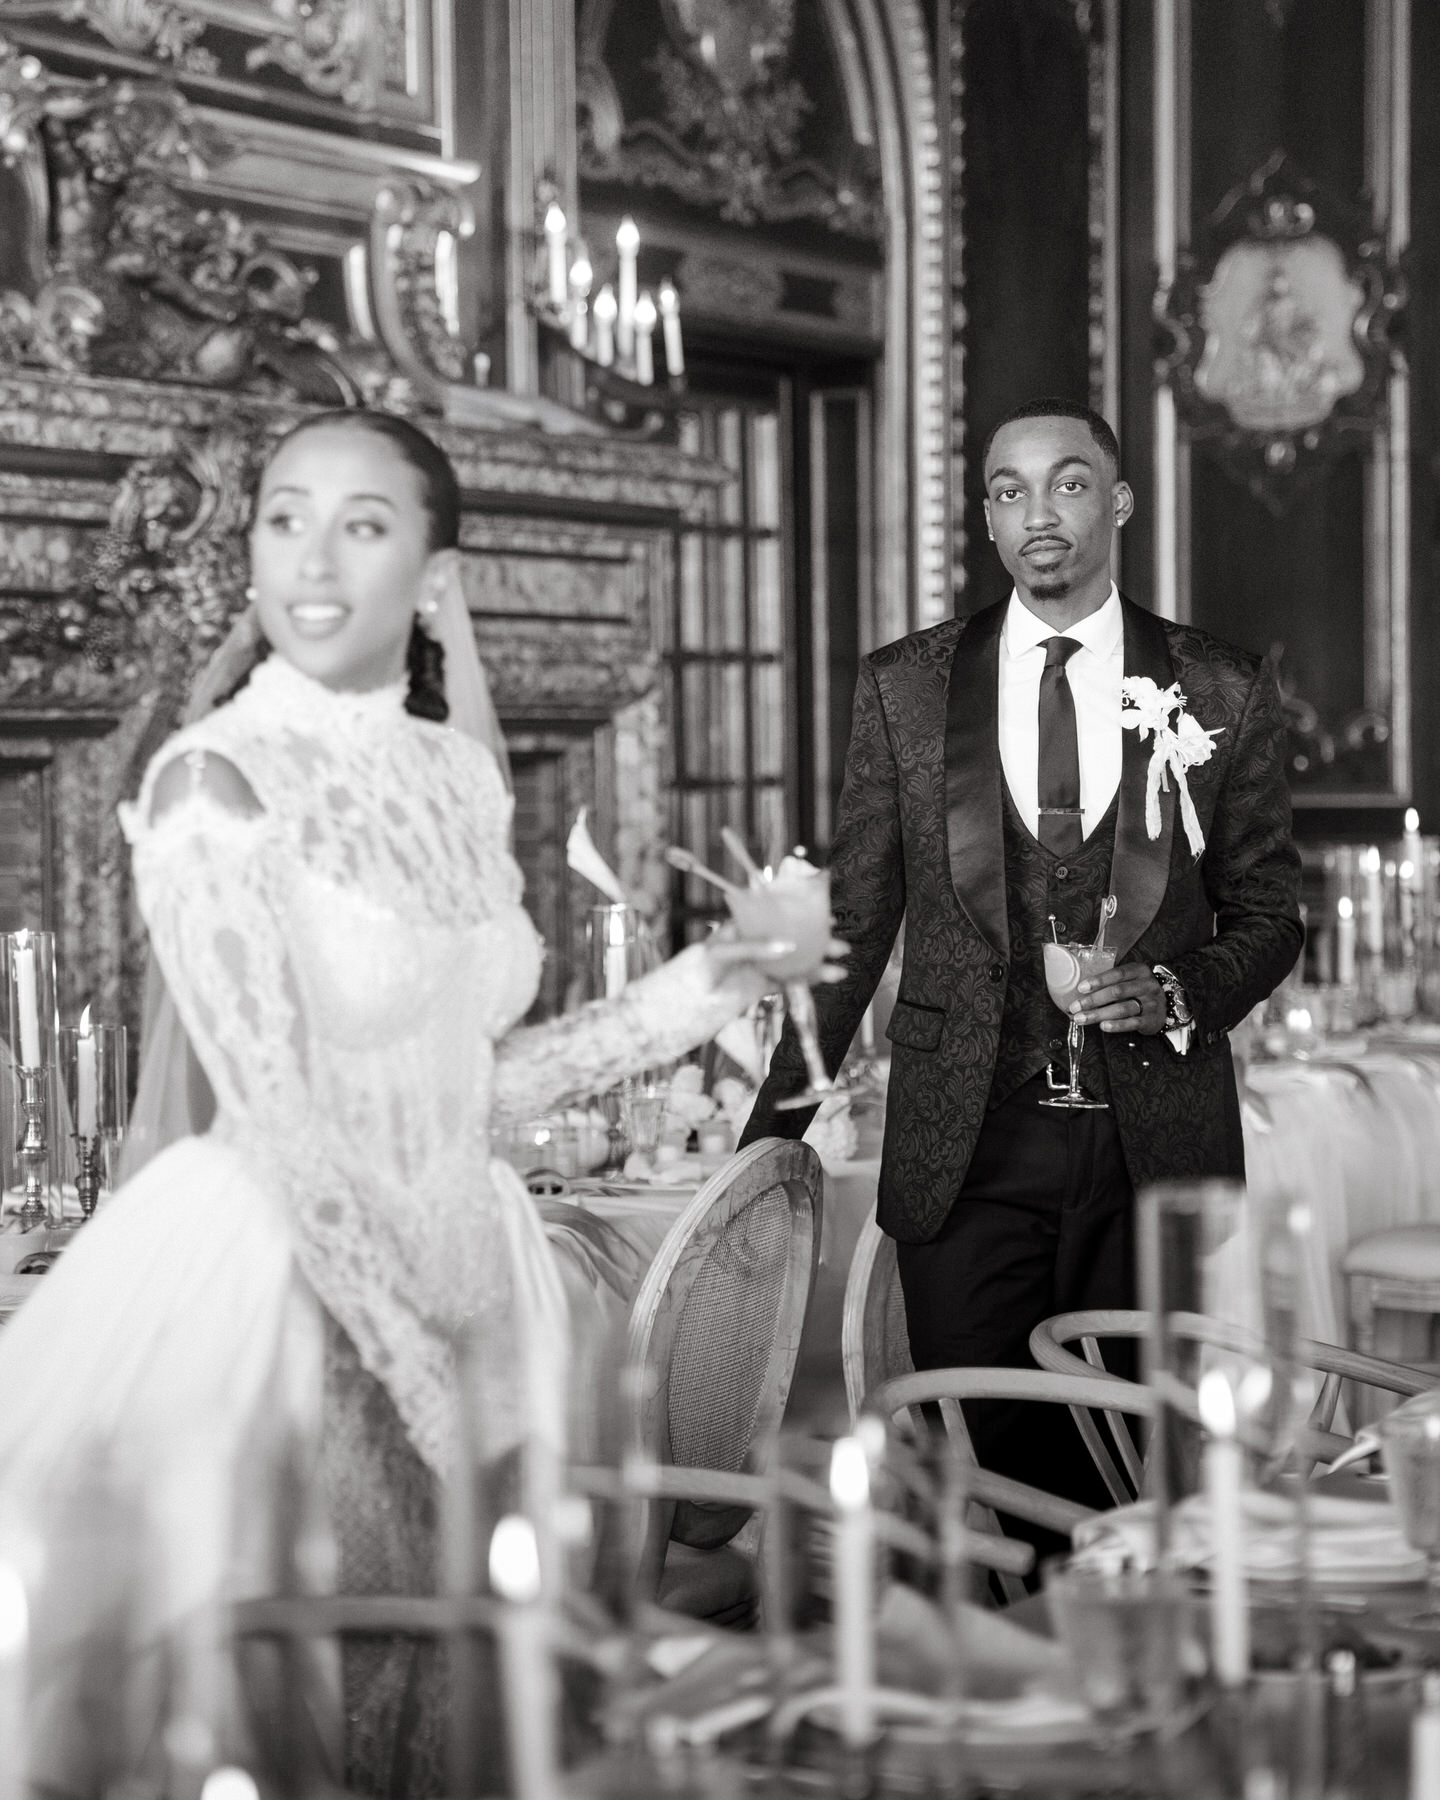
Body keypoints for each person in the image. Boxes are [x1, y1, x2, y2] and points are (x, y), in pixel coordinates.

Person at [0, 410, 821, 1794]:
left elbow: (469, 1083)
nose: (312, 559)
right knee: (328, 1703)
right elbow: (281, 1116)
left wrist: (712, 979)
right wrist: (429, 1393)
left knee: (457, 1719)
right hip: (289, 1293)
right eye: (284, 517)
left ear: (435, 571)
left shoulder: (449, 775)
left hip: (477, 1268)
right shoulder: (208, 780)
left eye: (363, 524)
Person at [743, 398, 1302, 1533]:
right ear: (987, 517)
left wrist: (1182, 989)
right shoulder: (904, 687)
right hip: (968, 1143)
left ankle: (1109, 1677)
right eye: (1007, 489)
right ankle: (1047, 1656)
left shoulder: (1220, 686)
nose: (1036, 513)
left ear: (1120, 501)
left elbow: (1270, 912)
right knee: (989, 1448)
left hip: (1153, 1151)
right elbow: (852, 920)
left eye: (1067, 483)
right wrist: (769, 1134)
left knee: (1127, 1456)